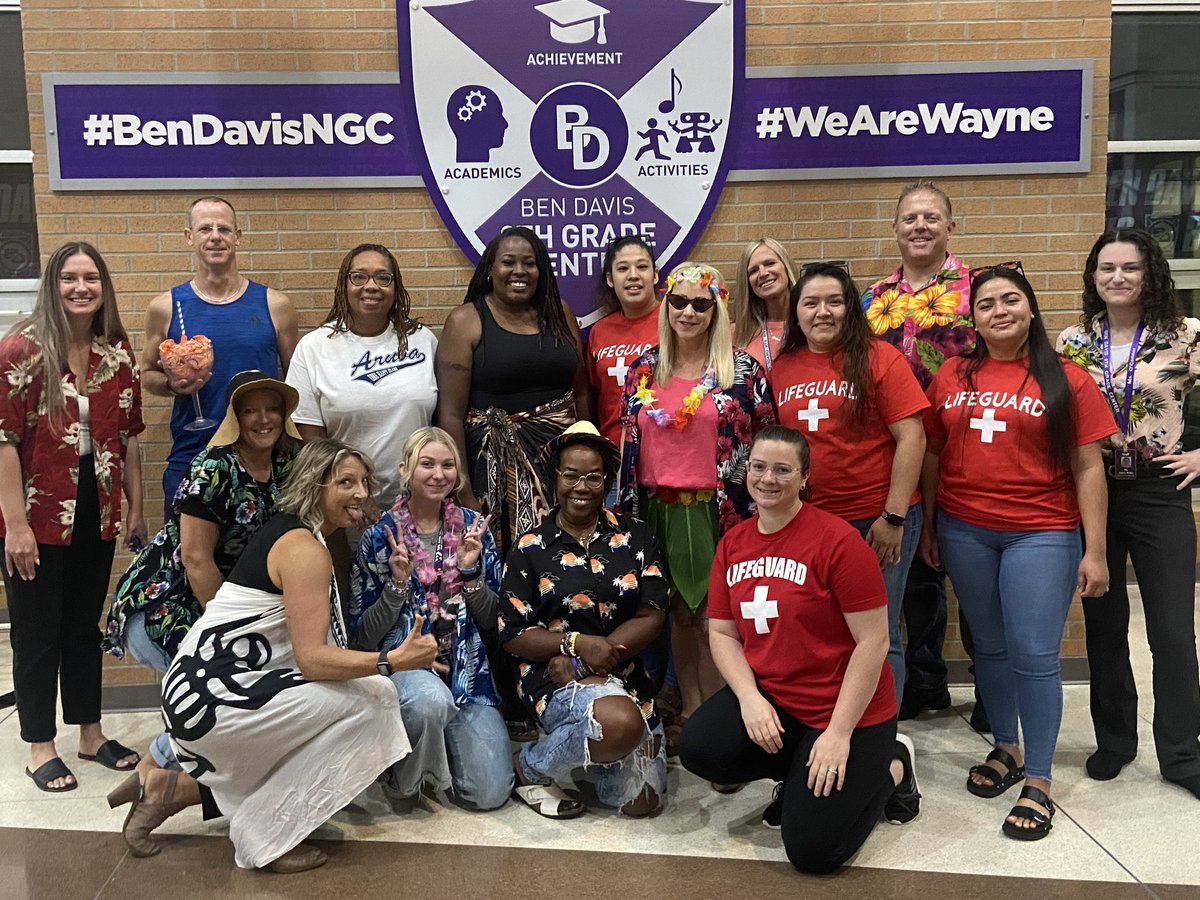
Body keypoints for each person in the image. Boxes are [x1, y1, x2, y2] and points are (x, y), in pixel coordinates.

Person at [107, 440, 429, 873]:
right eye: (346, 482)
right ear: (315, 484)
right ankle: (267, 835)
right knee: (378, 701)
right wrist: (392, 661)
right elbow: (313, 660)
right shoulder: (304, 549)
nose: (361, 493)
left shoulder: (294, 531)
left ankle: (175, 788)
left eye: (365, 483)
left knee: (343, 708)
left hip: (202, 692)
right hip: (214, 697)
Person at [922, 264, 1115, 840]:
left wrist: (1096, 550)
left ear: (1031, 309)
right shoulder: (953, 374)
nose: (999, 311)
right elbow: (932, 452)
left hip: (1043, 532)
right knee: (991, 646)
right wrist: (930, 524)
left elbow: (1088, 466)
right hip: (964, 529)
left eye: (1011, 300)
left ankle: (1040, 779)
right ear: (973, 318)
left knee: (1034, 654)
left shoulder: (1067, 379)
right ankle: (1005, 747)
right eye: (986, 304)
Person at [678, 426, 919, 874]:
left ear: (805, 478)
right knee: (700, 747)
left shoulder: (839, 542)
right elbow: (724, 634)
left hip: (848, 714)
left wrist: (840, 733)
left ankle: (892, 769)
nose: (769, 478)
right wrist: (750, 699)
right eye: (759, 467)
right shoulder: (733, 544)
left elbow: (874, 641)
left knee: (813, 852)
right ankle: (798, 776)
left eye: (783, 470)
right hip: (779, 703)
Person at [1058, 229, 1200, 800]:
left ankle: (1183, 752)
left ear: (1151, 274)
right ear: (1093, 277)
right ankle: (1115, 742)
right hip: (1092, 491)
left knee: (1170, 630)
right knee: (1105, 624)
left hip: (1157, 488)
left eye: (1130, 268)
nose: (1118, 278)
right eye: (1106, 268)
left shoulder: (1184, 335)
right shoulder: (1073, 341)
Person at [0, 241, 146, 791]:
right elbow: (4, 442)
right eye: (69, 278)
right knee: (37, 631)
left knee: (85, 626)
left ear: (103, 287)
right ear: (52, 285)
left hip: (96, 508)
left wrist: (133, 506)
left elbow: (130, 437)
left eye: (91, 278)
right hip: (34, 511)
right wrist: (14, 526)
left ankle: (90, 732)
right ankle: (40, 746)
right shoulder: (21, 349)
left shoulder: (117, 351)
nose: (81, 288)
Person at [619, 262, 776, 757]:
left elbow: (766, 440)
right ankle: (689, 708)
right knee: (679, 617)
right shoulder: (645, 368)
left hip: (720, 509)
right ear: (666, 306)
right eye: (679, 302)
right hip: (656, 510)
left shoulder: (742, 371)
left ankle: (722, 718)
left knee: (719, 618)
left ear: (717, 309)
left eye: (701, 303)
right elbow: (629, 439)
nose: (688, 311)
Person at [772, 263, 928, 700]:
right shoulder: (783, 367)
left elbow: (912, 435)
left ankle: (882, 740)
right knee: (818, 631)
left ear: (851, 308)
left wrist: (893, 516)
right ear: (796, 313)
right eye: (811, 303)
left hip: (876, 520)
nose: (823, 312)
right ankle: (828, 726)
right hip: (808, 523)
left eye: (834, 301)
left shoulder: (880, 357)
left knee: (878, 634)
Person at [500, 421, 668, 818]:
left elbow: (652, 614)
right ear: (555, 478)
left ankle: (602, 751)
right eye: (571, 475)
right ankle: (532, 765)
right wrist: (572, 646)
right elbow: (511, 632)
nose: (581, 487)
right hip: (553, 676)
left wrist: (587, 659)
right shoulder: (530, 547)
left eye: (593, 477)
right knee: (619, 724)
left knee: (637, 803)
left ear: (607, 481)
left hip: (621, 673)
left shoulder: (636, 536)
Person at [862, 180, 981, 725]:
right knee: (913, 569)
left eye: (932, 217)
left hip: (965, 449)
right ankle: (922, 679)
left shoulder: (977, 291)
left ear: (951, 227)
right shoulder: (871, 299)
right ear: (894, 229)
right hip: (899, 452)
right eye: (910, 218)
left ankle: (990, 691)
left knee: (971, 570)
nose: (920, 226)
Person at [351, 426, 512, 810]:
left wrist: (471, 574)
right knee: (428, 702)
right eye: (427, 464)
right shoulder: (380, 536)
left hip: (467, 674)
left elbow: (494, 621)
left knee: (488, 794)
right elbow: (362, 639)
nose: (438, 474)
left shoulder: (474, 529)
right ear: (405, 469)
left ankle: (438, 755)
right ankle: (402, 779)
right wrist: (396, 586)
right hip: (407, 673)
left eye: (447, 465)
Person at [105, 371, 302, 675]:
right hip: (168, 601)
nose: (263, 419)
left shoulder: (289, 461)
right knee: (212, 691)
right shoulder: (212, 469)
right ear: (234, 418)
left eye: (272, 409)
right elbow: (196, 559)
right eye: (250, 410)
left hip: (232, 601)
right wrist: (231, 630)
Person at [435, 225, 590, 558]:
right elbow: (449, 414)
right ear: (491, 269)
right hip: (493, 473)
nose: (519, 271)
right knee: (508, 565)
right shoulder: (466, 321)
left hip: (562, 467)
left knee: (567, 560)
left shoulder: (561, 313)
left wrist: (593, 457)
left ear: (542, 271)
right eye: (508, 262)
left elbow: (580, 393)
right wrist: (463, 491)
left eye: (529, 263)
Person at [142, 197, 299, 515]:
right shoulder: (166, 307)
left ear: (237, 236)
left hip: (263, 458)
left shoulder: (275, 305)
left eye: (224, 229)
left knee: (264, 561)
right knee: (188, 559)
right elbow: (146, 373)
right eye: (205, 228)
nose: (215, 236)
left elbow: (298, 381)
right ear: (189, 236)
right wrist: (172, 385)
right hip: (193, 456)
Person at [286, 243, 437, 513]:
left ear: (396, 287)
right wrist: (356, 494)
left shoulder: (423, 340)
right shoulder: (314, 347)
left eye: (383, 277)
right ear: (344, 285)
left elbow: (440, 422)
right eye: (359, 277)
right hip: (345, 507)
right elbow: (311, 441)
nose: (371, 286)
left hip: (418, 502)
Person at [586, 235, 660, 469]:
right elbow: (593, 395)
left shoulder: (675, 321)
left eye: (642, 266)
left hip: (662, 458)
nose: (633, 275)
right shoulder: (599, 331)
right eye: (622, 268)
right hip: (613, 461)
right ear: (610, 279)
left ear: (655, 275)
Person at [732, 237, 800, 373]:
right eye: (753, 270)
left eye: (770, 263)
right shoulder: (735, 333)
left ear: (786, 267)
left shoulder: (810, 325)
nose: (763, 273)